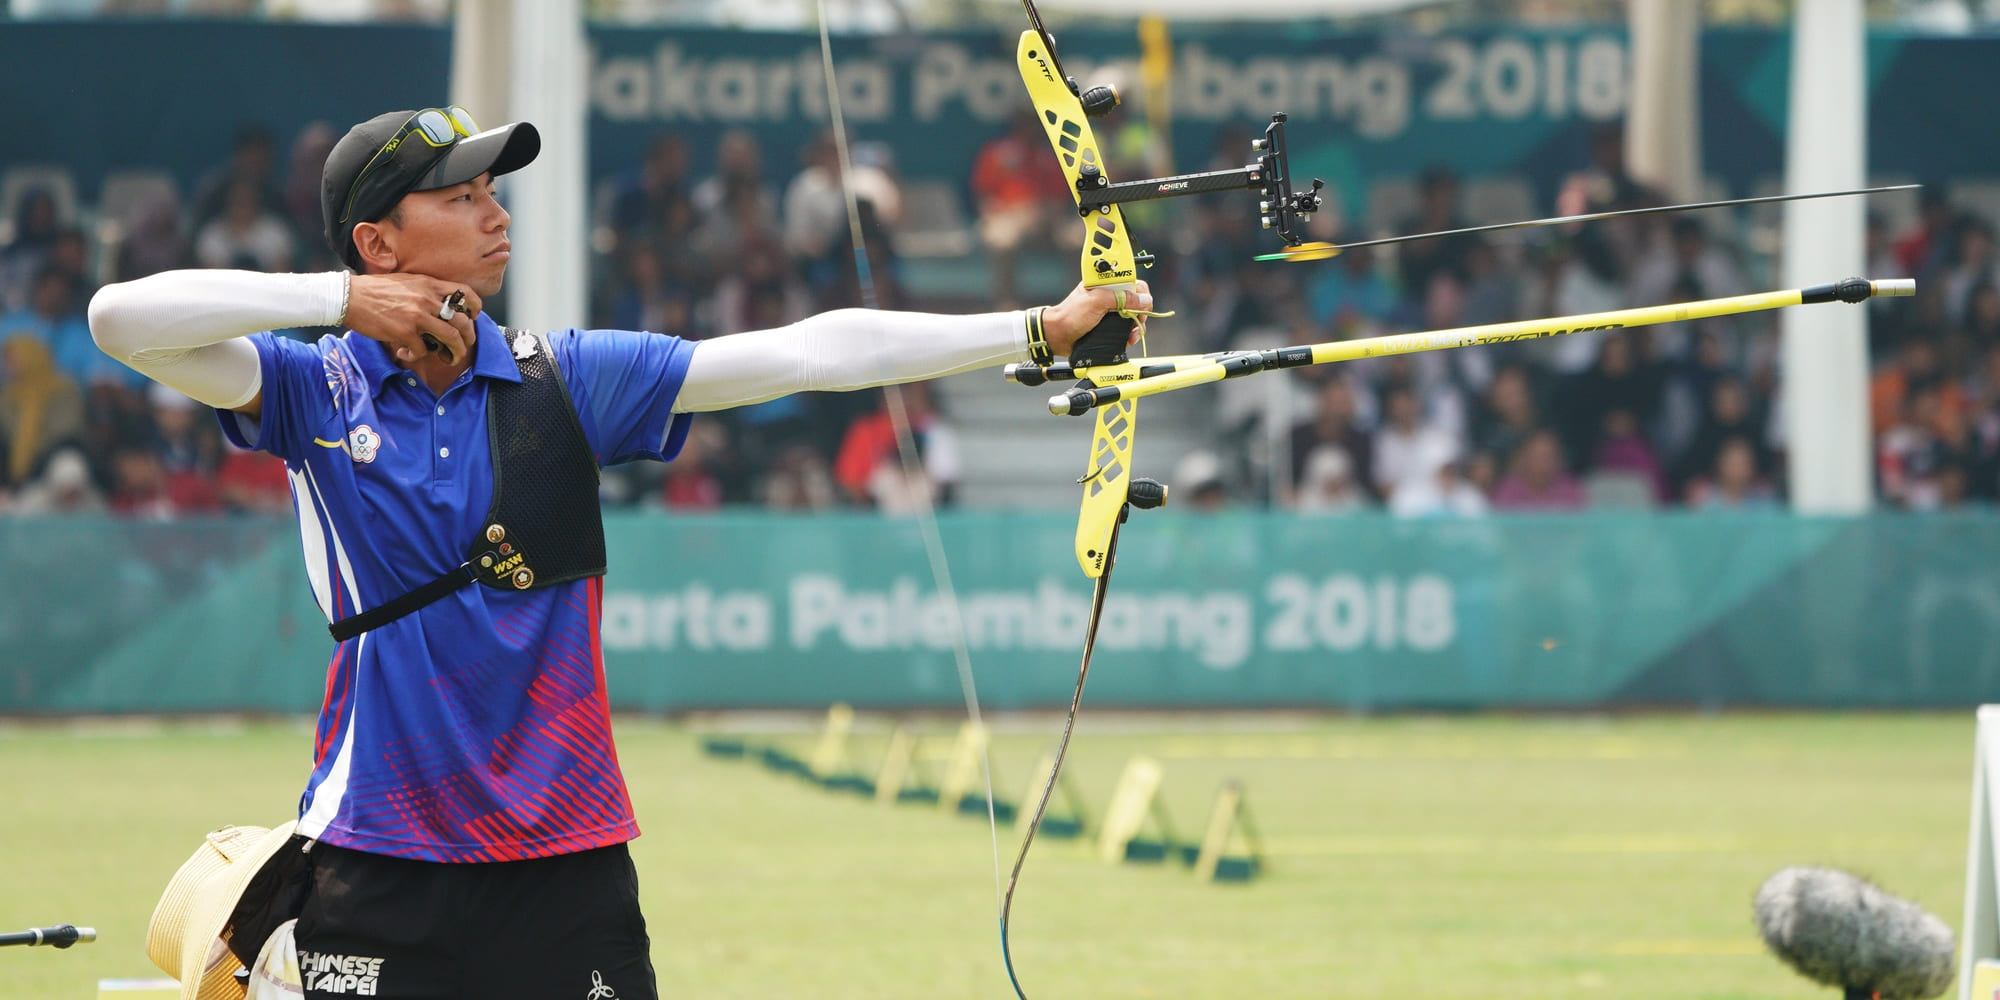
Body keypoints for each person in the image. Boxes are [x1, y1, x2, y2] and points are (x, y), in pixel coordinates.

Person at [87, 105, 1148, 1000]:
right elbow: (120, 318)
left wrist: (1035, 328)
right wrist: (337, 302)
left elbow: (813, 351)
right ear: (378, 242)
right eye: (459, 199)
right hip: (380, 855)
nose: (495, 215)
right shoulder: (312, 389)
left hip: (569, 860)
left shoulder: (568, 377)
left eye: (491, 194)